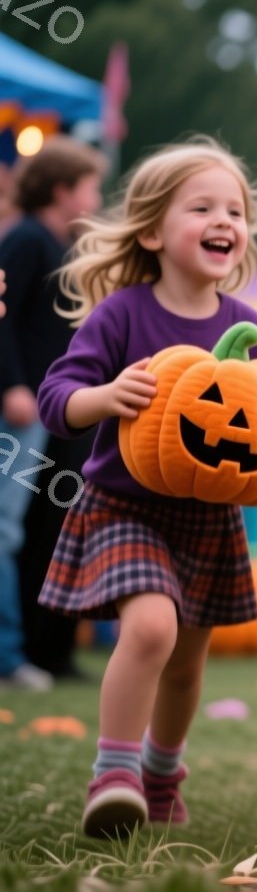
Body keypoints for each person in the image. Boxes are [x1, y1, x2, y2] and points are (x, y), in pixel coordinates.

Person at [35, 138, 257, 838]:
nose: (224, 220)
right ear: (153, 230)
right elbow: (56, 397)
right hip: (124, 507)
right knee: (152, 628)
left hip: (209, 516)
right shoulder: (123, 315)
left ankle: (163, 775)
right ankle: (115, 771)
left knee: (189, 664)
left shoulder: (249, 327)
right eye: (202, 207)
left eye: (236, 209)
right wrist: (104, 396)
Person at [0, 137, 109, 686]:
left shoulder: (62, 246)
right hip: (21, 409)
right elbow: (2, 317)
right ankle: (16, 653)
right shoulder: (24, 240)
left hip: (49, 412)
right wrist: (13, 384)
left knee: (37, 526)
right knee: (9, 528)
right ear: (62, 189)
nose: (95, 196)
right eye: (89, 186)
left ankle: (46, 649)